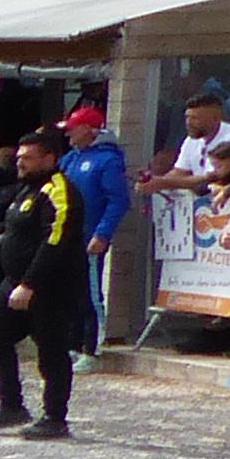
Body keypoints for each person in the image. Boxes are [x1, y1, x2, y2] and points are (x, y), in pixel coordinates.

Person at [0, 129, 90, 441]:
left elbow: (55, 240)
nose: (21, 163)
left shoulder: (59, 191)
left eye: (28, 158)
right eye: (19, 158)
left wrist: (30, 283)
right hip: (15, 282)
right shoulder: (26, 190)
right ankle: (11, 404)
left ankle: (55, 417)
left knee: (52, 351)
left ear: (49, 158)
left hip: (50, 287)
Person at [59, 99, 134, 348]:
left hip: (89, 236)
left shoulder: (108, 160)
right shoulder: (70, 159)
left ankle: (90, 348)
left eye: (73, 127)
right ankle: (70, 344)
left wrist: (102, 233)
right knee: (67, 292)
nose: (68, 133)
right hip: (65, 237)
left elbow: (118, 201)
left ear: (89, 130)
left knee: (88, 294)